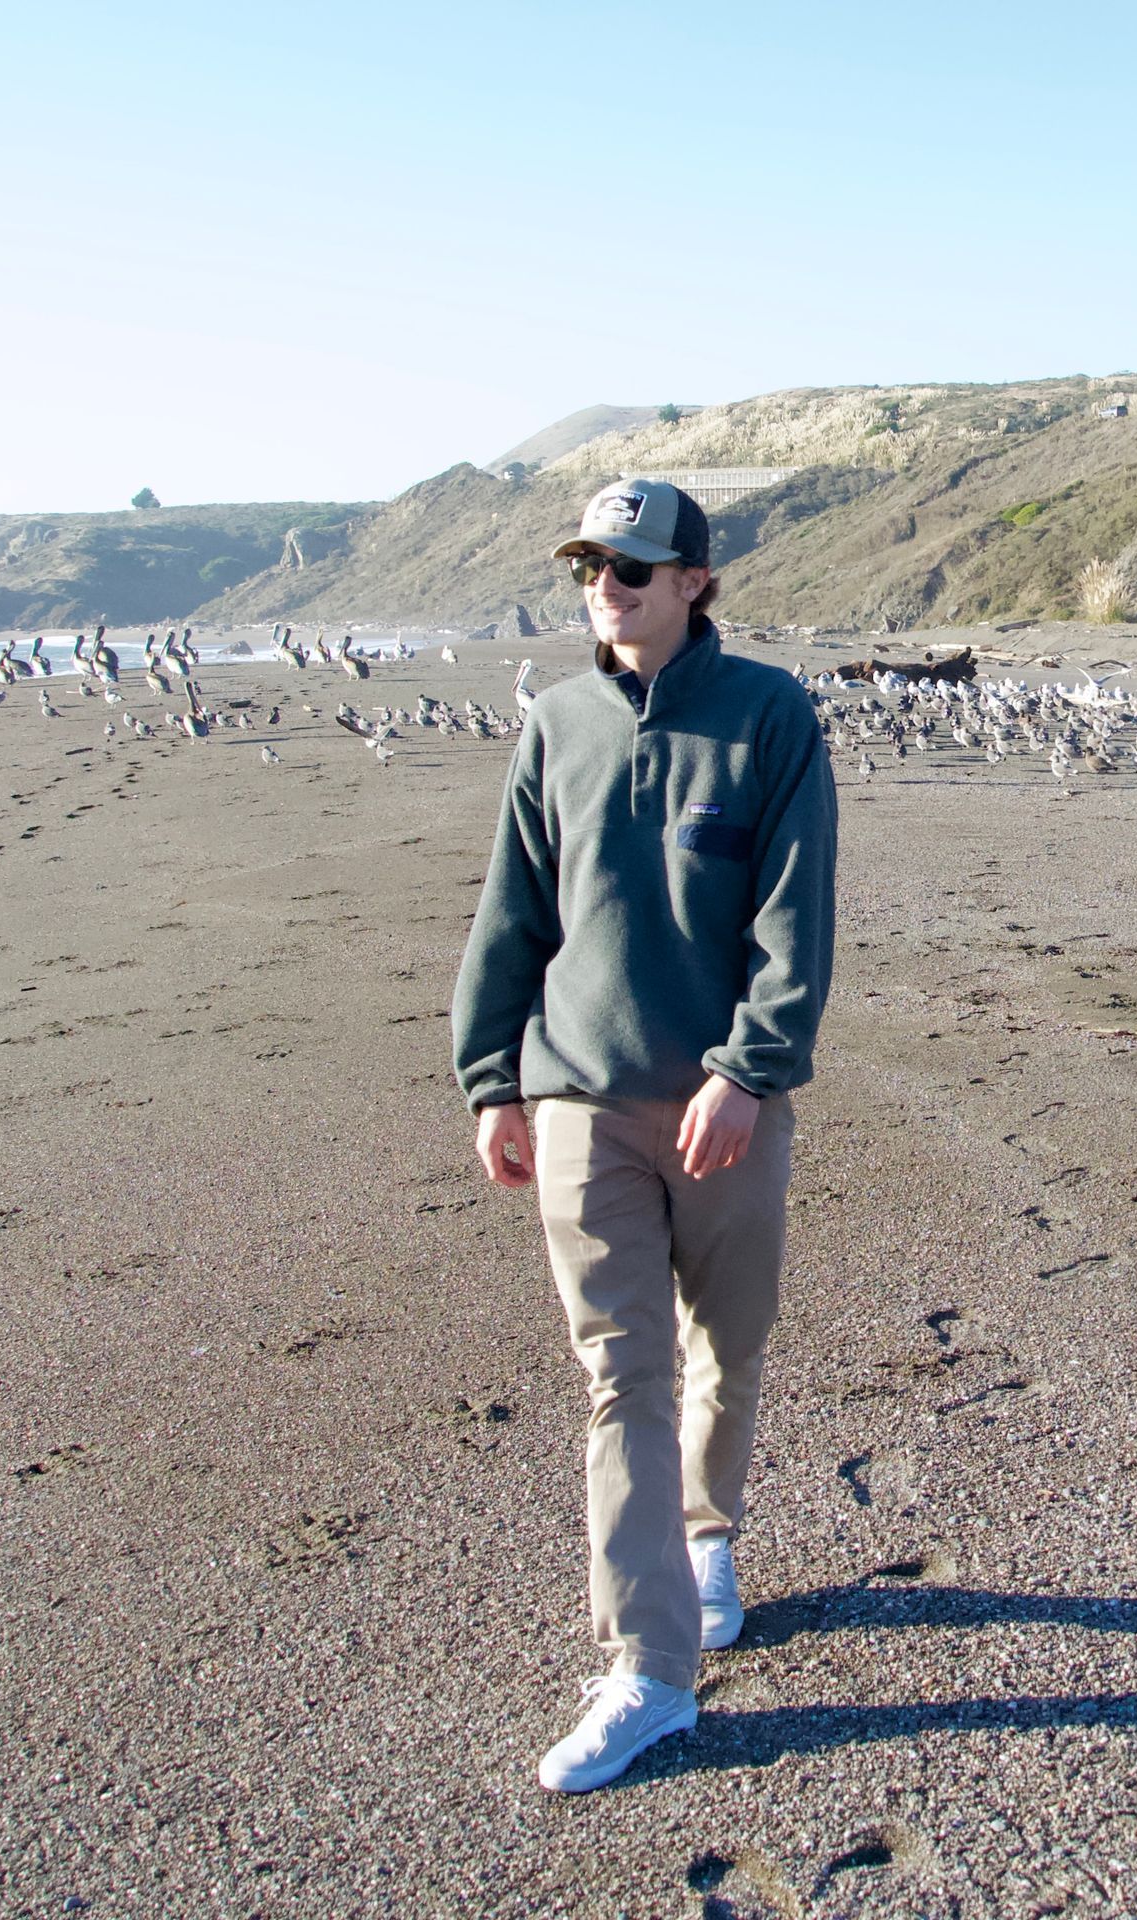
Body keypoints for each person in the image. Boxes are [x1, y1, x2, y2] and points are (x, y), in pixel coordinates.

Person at [450, 478, 837, 1792]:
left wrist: (749, 1069)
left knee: (726, 1349)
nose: (603, 591)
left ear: (693, 581)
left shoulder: (770, 716)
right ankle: (650, 1671)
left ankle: (711, 1535)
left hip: (726, 1104)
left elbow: (798, 919)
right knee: (624, 1377)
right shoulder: (554, 725)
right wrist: (491, 1080)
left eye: (629, 569)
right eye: (589, 570)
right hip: (580, 1100)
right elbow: (513, 917)